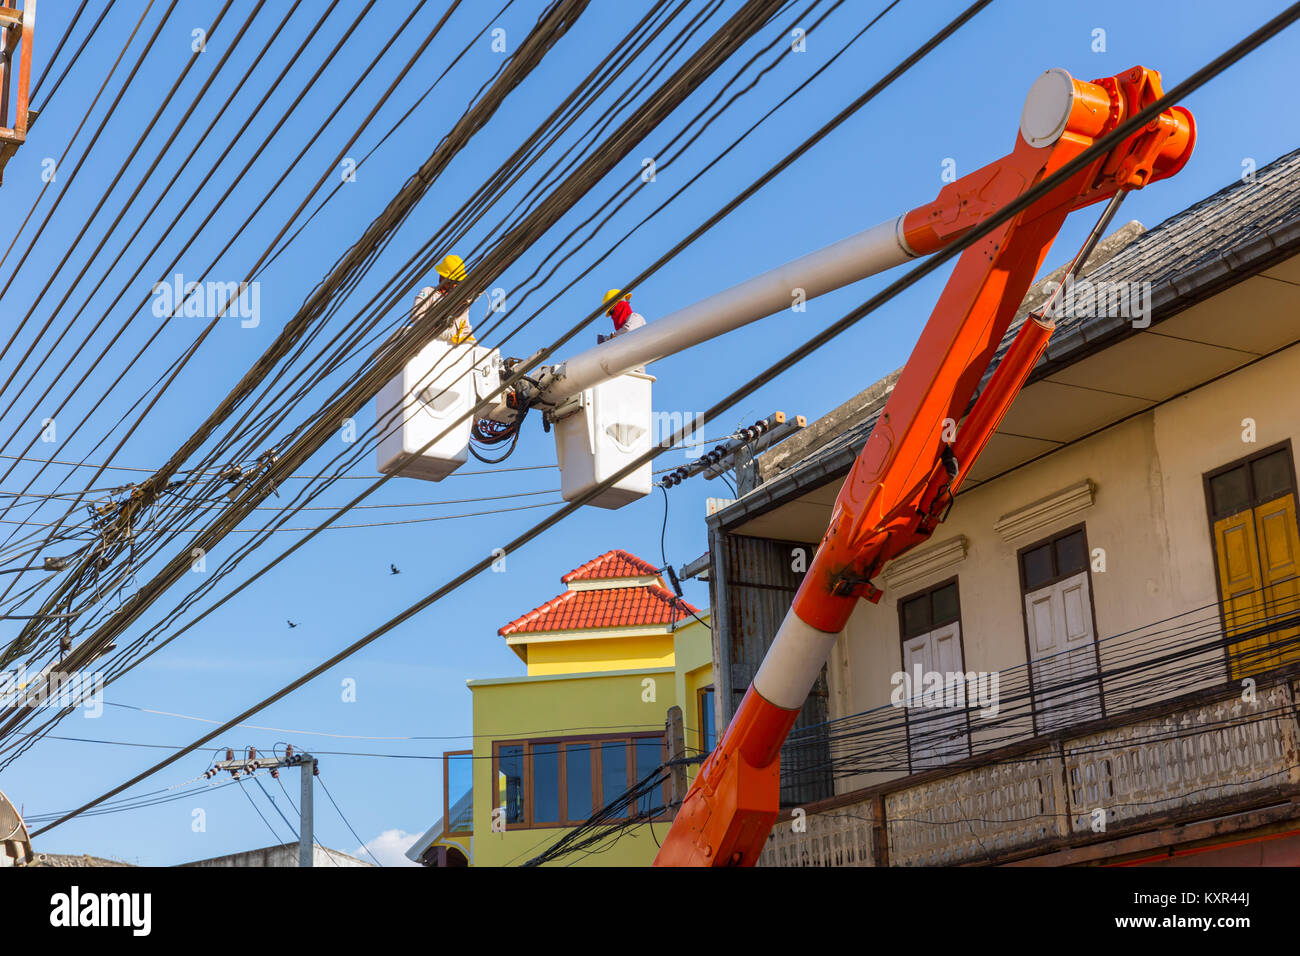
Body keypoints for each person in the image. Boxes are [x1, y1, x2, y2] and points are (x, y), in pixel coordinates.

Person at [413, 254, 476, 345]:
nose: (455, 285)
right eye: (453, 282)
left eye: (457, 282)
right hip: (431, 344)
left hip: (453, 350)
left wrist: (474, 346)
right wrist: (437, 331)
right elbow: (416, 315)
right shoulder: (428, 292)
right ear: (442, 277)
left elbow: (465, 328)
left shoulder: (461, 302)